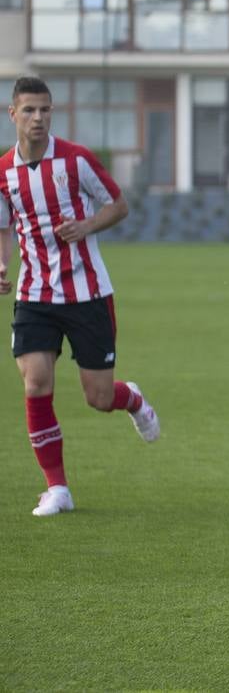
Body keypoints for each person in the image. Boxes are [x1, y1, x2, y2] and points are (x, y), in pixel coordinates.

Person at [0, 76, 160, 518]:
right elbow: (4, 227)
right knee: (36, 383)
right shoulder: (4, 171)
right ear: (12, 114)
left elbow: (118, 204)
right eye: (29, 110)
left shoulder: (76, 161)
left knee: (98, 396)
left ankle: (133, 400)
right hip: (34, 295)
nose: (38, 118)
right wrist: (1, 264)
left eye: (45, 110)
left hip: (88, 293)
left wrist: (86, 226)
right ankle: (57, 488)